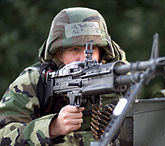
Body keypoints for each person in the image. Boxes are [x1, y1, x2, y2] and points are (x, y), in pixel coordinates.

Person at [0, 7, 126, 145]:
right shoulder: (34, 81)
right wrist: (53, 127)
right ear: (59, 54)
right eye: (75, 49)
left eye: (91, 48)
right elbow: (3, 135)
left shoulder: (119, 77)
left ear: (102, 51)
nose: (84, 57)